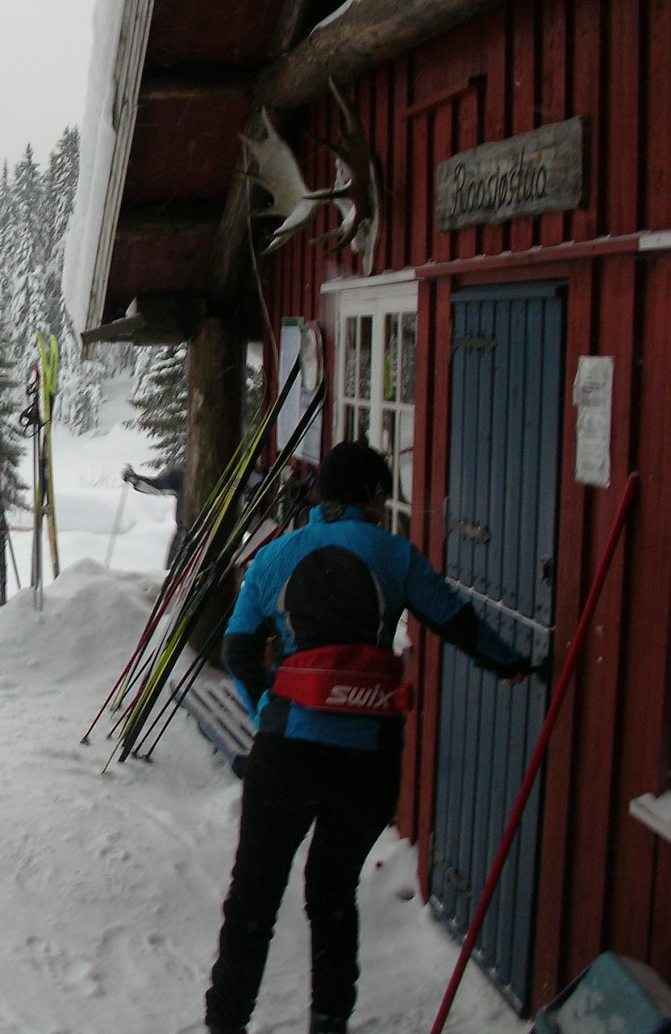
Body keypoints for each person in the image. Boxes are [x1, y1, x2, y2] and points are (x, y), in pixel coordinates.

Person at [202, 440, 531, 1034]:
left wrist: (266, 712)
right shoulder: (396, 557)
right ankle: (329, 1024)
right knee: (331, 897)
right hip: (367, 760)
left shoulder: (274, 559)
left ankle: (225, 1025)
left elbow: (238, 649)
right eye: (383, 497)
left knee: (252, 900)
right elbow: (459, 623)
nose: (385, 508)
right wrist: (513, 663)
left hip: (287, 751)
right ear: (373, 498)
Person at [123, 462, 186, 566]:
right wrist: (136, 480)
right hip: (183, 534)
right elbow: (158, 486)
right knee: (173, 575)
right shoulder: (182, 475)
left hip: (212, 532)